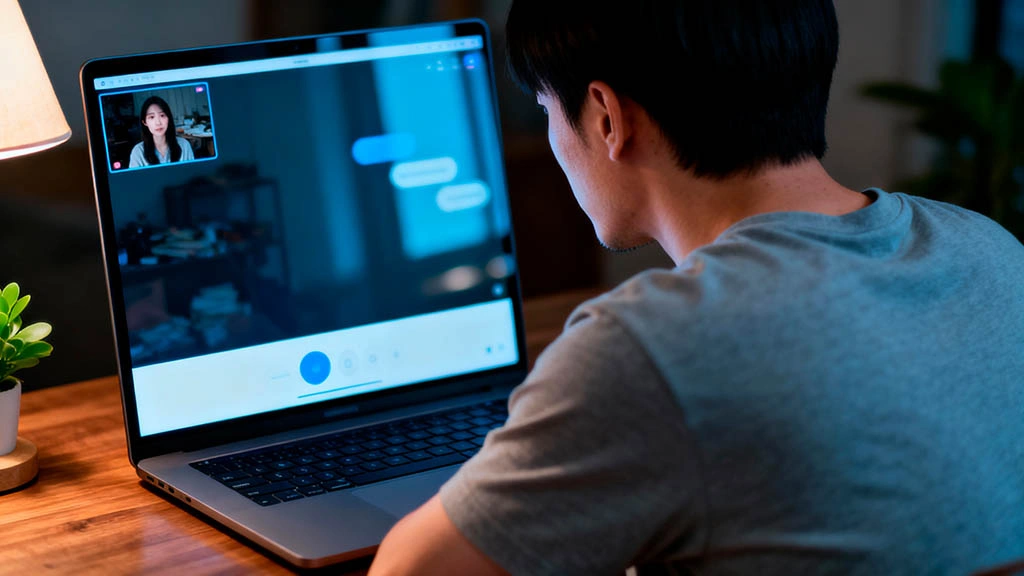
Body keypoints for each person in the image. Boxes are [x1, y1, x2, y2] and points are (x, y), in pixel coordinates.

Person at [369, 1, 1024, 574]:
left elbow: (408, 571)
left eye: (546, 110)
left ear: (606, 117)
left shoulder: (649, 349)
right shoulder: (991, 248)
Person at [128, 95, 194, 168]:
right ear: (144, 122)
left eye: (162, 115)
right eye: (152, 117)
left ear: (168, 118)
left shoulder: (184, 145)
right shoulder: (138, 152)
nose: (158, 122)